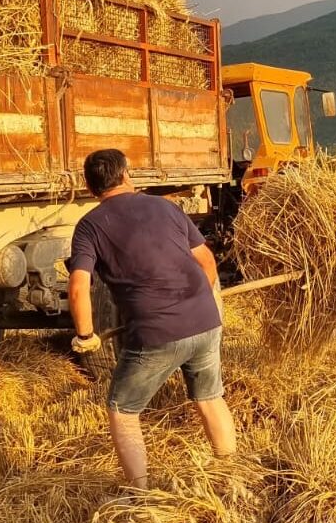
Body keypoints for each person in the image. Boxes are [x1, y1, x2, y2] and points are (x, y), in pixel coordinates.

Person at [67, 149, 237, 491]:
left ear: (89, 186)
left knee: (123, 411)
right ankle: (232, 477)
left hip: (156, 331)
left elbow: (77, 286)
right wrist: (209, 301)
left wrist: (85, 335)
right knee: (210, 398)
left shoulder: (89, 225)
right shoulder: (166, 207)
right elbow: (205, 259)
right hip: (204, 321)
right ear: (127, 175)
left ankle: (141, 496)